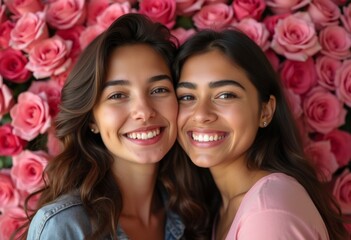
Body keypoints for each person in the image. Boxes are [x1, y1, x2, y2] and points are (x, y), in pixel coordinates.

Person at [16, 13, 214, 240]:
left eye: (159, 90)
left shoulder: (194, 210)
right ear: (92, 119)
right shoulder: (67, 226)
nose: (144, 111)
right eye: (118, 95)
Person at [173, 29, 349, 240]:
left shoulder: (267, 212)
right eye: (186, 96)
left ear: (265, 110)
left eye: (225, 95)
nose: (201, 115)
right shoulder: (223, 206)